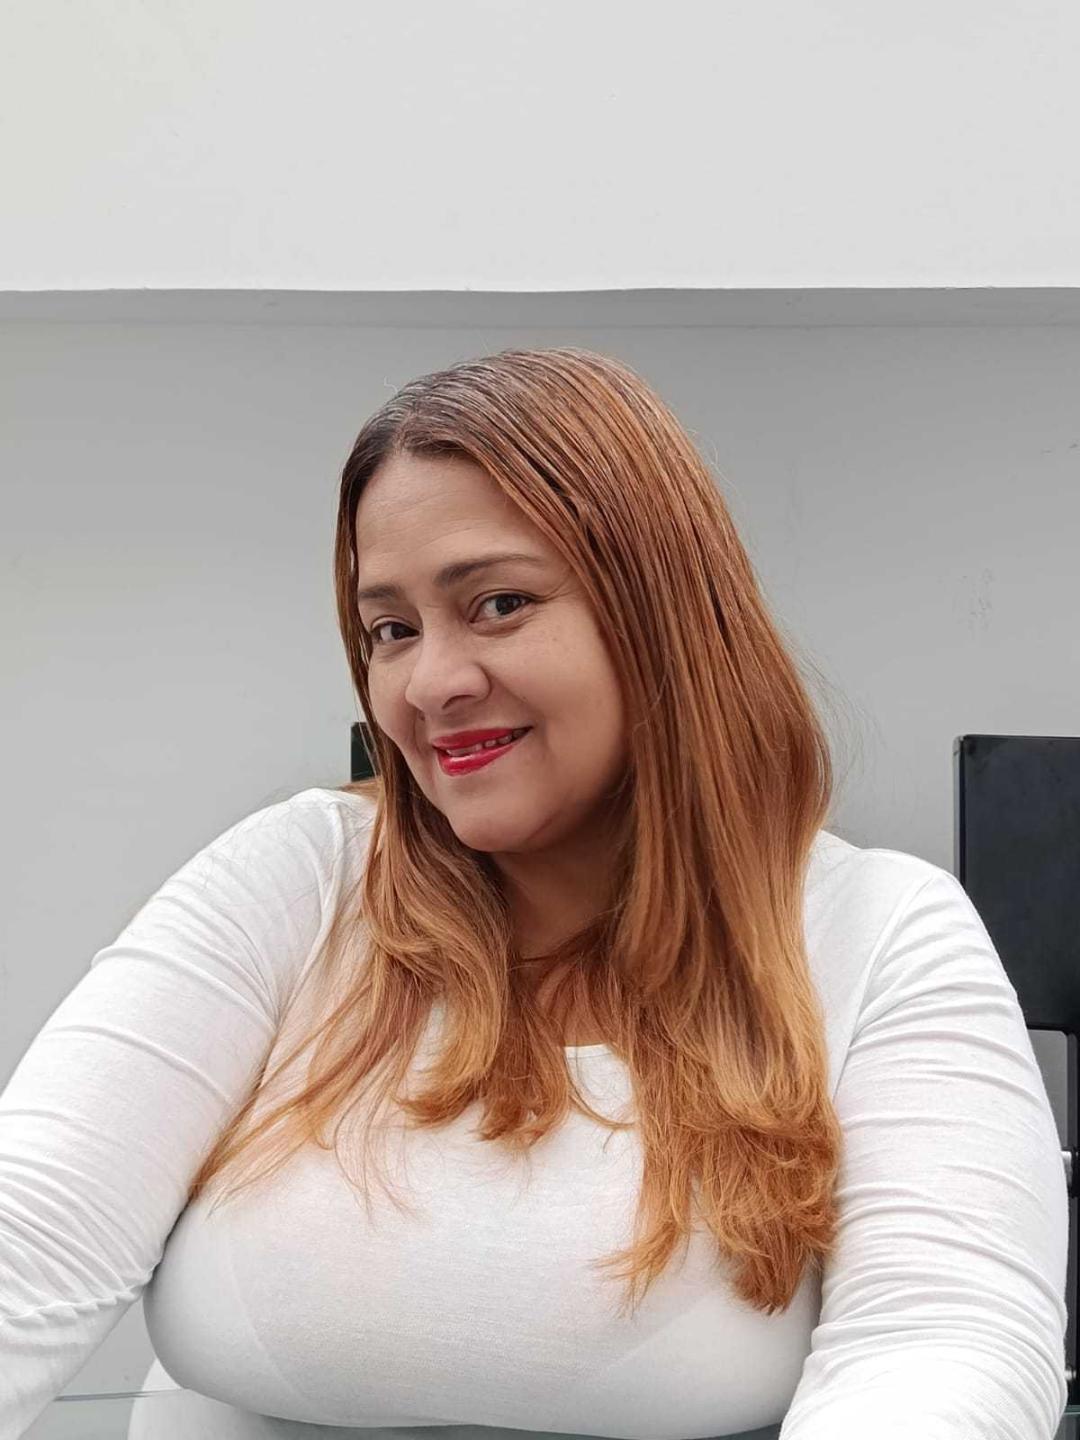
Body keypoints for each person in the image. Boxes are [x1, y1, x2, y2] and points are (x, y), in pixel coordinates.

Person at [0, 347, 1068, 1440]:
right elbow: (30, 1234)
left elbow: (945, 1345)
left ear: (661, 614)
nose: (431, 684)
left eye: (500, 604)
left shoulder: (878, 936)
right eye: (391, 630)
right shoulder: (297, 879)